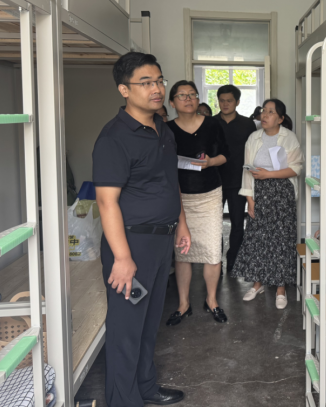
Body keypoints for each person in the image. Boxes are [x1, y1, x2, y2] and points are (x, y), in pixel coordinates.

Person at [93, 52, 191, 407]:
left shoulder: (162, 129)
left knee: (149, 323)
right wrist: (122, 257)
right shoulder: (114, 137)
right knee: (126, 329)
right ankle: (124, 401)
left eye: (159, 81)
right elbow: (106, 202)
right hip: (132, 243)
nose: (157, 89)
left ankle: (146, 387)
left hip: (161, 242)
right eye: (146, 83)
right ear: (124, 90)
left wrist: (181, 223)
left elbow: (169, 180)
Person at [166, 81, 230, 325]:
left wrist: (211, 162)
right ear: (172, 102)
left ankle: (211, 300)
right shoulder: (166, 129)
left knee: (213, 251)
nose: (188, 99)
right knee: (183, 253)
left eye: (192, 94)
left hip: (209, 194)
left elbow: (226, 155)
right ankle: (184, 304)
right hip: (180, 197)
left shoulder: (213, 124)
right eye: (182, 95)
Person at [232, 99, 302, 310]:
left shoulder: (289, 137)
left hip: (282, 193)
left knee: (281, 240)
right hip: (259, 192)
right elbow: (247, 170)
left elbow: (296, 168)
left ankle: (280, 288)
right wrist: (249, 200)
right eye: (264, 111)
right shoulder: (253, 138)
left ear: (280, 118)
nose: (265, 115)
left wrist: (269, 175)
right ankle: (258, 284)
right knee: (257, 239)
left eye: (271, 112)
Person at [216, 85, 257, 272]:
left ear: (237, 102)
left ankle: (233, 260)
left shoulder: (247, 124)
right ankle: (216, 261)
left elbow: (252, 153)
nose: (225, 104)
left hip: (239, 181)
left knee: (237, 223)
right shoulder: (210, 122)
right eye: (222, 100)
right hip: (214, 181)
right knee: (214, 225)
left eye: (229, 100)